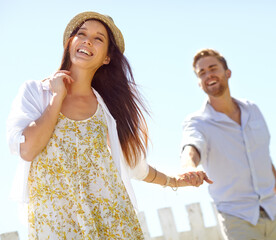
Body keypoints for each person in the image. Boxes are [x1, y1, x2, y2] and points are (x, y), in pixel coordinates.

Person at [7, 11, 212, 239]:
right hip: (56, 222)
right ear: (70, 43)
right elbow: (27, 149)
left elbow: (136, 166)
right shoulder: (36, 92)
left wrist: (177, 181)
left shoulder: (108, 112)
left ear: (107, 58)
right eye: (82, 34)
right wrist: (57, 98)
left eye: (98, 38)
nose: (87, 40)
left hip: (112, 220)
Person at [180, 48, 276, 239]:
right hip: (237, 218)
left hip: (272, 207)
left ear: (227, 73)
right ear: (199, 83)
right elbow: (191, 146)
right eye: (202, 73)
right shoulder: (197, 122)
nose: (209, 75)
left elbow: (262, 155)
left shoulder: (253, 109)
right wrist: (188, 167)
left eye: (213, 68)